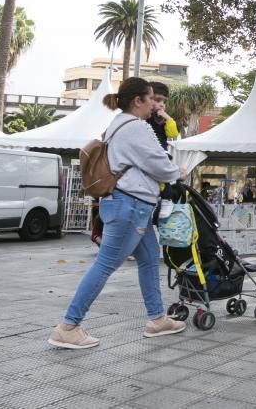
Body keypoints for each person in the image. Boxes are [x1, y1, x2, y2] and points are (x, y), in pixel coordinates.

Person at [48, 77, 187, 349]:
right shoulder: (136, 127)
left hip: (132, 205)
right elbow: (158, 163)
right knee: (105, 264)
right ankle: (68, 325)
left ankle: (157, 319)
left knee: (148, 261)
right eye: (151, 100)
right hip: (130, 206)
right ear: (138, 101)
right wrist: (176, 172)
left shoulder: (117, 125)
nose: (154, 106)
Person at [146, 81, 179, 220]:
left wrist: (168, 118)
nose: (161, 105)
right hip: (147, 152)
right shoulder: (142, 118)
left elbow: (173, 134)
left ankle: (166, 200)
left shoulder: (162, 120)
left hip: (161, 152)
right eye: (158, 100)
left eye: (164, 102)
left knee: (164, 179)